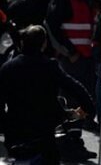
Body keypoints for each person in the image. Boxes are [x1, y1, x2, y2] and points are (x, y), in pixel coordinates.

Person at [0, 25, 95, 165]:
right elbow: (74, 87)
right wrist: (89, 108)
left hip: (16, 131)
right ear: (43, 44)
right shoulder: (49, 66)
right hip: (44, 130)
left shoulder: (7, 68)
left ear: (22, 43)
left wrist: (5, 124)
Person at [44, 0, 101, 107]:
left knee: (89, 92)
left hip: (91, 55)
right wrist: (70, 52)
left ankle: (87, 121)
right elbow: (52, 27)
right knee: (70, 93)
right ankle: (70, 124)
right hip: (73, 56)